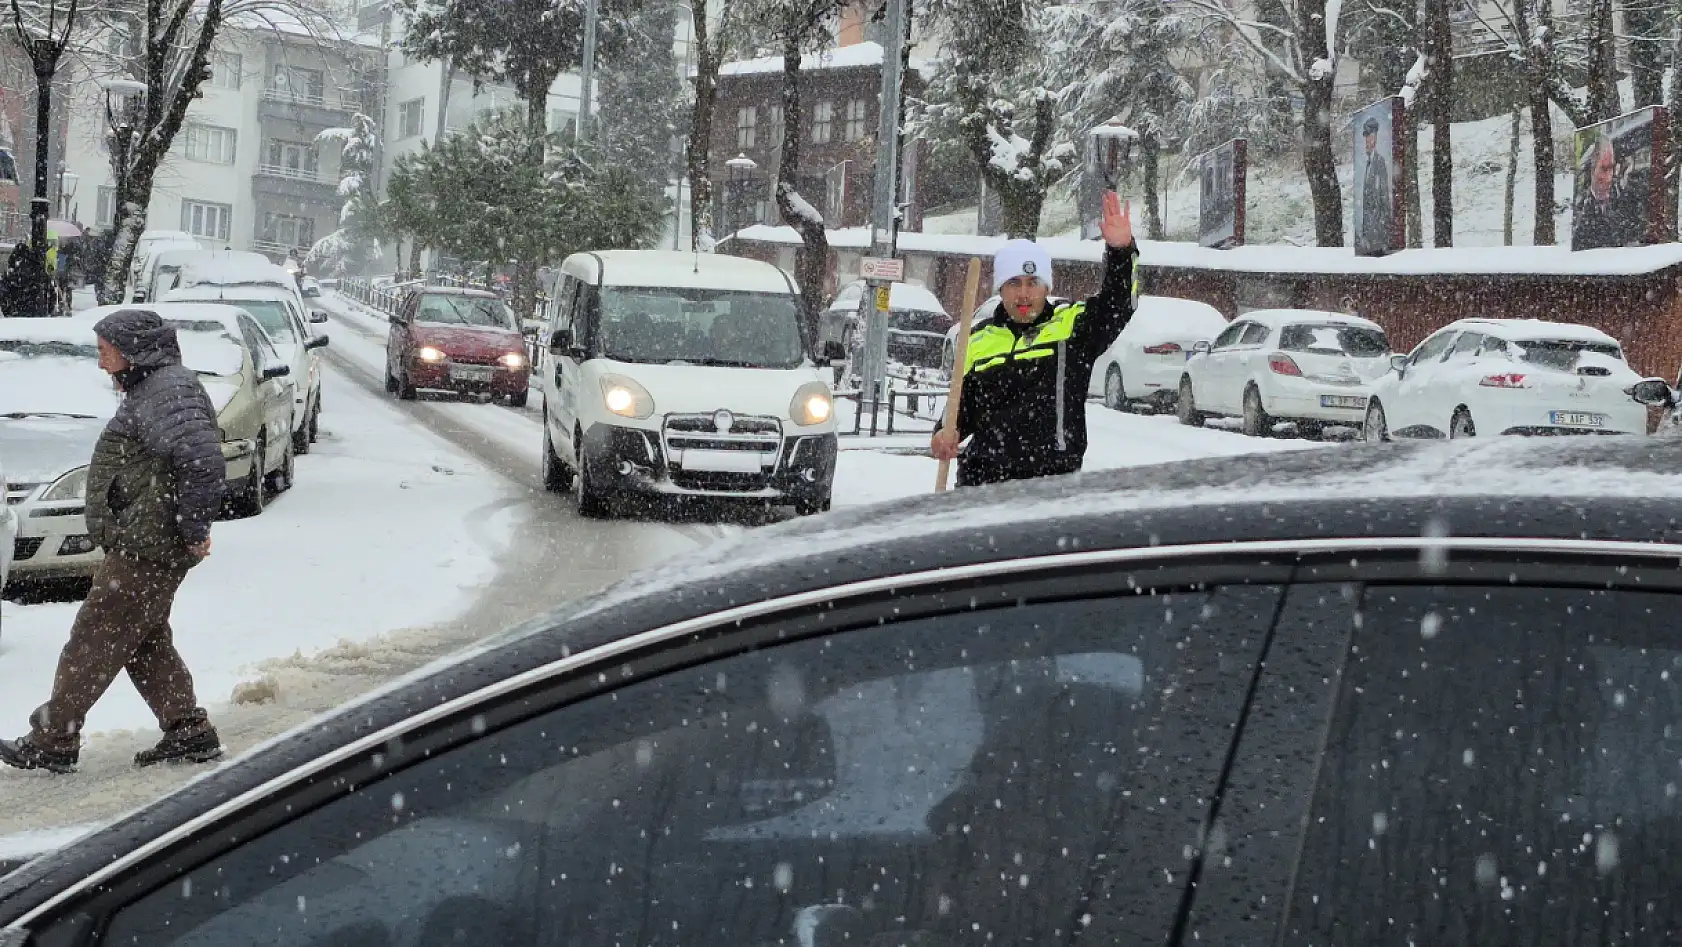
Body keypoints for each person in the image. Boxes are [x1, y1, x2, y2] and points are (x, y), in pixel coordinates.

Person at [0, 310, 227, 774]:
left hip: (150, 545)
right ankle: (187, 729)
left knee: (94, 637)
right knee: (143, 640)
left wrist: (193, 530)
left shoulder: (168, 390)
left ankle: (54, 738)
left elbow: (202, 461)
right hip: (145, 539)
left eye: (105, 351)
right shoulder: (155, 388)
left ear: (132, 350)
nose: (101, 362)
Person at [931, 192, 1137, 487]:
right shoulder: (977, 340)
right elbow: (959, 412)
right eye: (1014, 283)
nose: (1024, 294)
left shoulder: (1071, 329)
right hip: (983, 484)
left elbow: (1119, 303)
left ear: (1046, 287)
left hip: (1051, 484)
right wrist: (943, 434)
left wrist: (1121, 253)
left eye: (1033, 283)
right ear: (1000, 289)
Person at [1573, 132, 1643, 250]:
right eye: (1604, 169)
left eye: (1612, 168)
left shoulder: (1625, 200)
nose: (1610, 177)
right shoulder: (1579, 211)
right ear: (1591, 171)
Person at [1357, 117, 1392, 255]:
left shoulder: (1379, 162)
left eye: (1370, 136)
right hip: (1369, 235)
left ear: (1375, 137)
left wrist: (1384, 233)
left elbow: (1383, 198)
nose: (1367, 140)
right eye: (1366, 136)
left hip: (1377, 234)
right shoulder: (1368, 162)